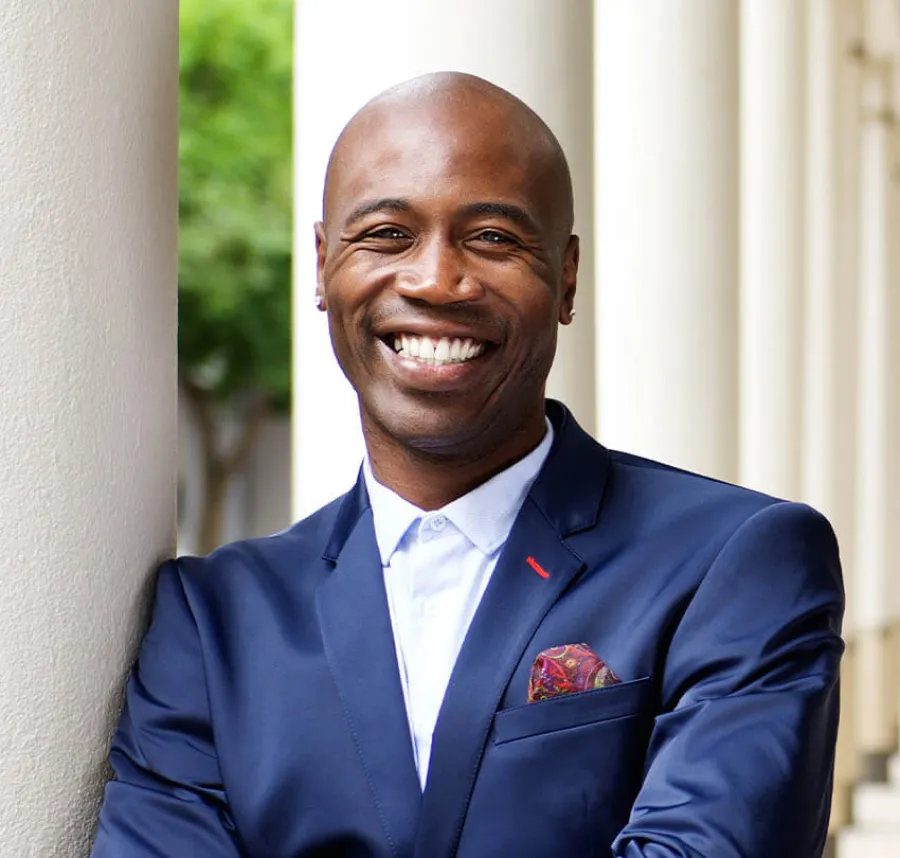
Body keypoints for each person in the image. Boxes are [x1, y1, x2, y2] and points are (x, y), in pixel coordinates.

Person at [91, 72, 844, 858]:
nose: (434, 280)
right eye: (387, 233)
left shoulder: (736, 562)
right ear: (321, 266)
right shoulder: (215, 621)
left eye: (492, 238)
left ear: (567, 278)